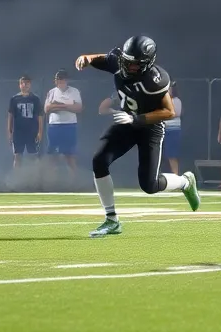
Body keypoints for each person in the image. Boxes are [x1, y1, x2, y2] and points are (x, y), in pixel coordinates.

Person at [75, 35, 200, 237]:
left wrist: (137, 119)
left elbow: (169, 112)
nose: (129, 66)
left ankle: (186, 182)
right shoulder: (121, 62)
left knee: (149, 185)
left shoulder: (155, 79)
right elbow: (103, 59)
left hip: (149, 126)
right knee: (99, 160)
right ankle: (111, 220)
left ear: (147, 63)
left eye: (135, 64)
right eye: (127, 61)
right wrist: (86, 58)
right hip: (127, 121)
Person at [44, 69, 83, 174]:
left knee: (70, 155)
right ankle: (51, 182)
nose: (59, 82)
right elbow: (47, 109)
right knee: (52, 156)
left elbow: (78, 108)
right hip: (54, 126)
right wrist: (68, 106)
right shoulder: (51, 92)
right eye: (57, 80)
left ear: (66, 80)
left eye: (61, 79)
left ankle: (74, 182)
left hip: (70, 125)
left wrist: (58, 105)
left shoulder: (74, 91)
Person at [8, 75, 44, 168]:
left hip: (32, 131)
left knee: (33, 155)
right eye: (22, 83)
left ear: (30, 84)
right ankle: (17, 177)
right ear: (19, 85)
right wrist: (9, 131)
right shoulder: (14, 99)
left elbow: (40, 116)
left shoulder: (35, 99)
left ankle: (35, 177)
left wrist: (40, 132)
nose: (25, 85)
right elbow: (10, 116)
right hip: (18, 132)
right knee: (17, 155)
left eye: (27, 83)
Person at [163, 82, 183, 175]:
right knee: (166, 155)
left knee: (172, 155)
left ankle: (176, 175)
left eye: (169, 89)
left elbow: (176, 113)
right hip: (164, 131)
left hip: (173, 131)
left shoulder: (176, 100)